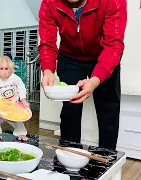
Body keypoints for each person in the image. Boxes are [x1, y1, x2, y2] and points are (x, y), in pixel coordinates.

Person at [38, 0, 127, 150]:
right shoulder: (48, 3)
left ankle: (106, 159)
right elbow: (47, 42)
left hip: (103, 55)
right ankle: (69, 157)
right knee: (71, 106)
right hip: (70, 57)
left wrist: (94, 80)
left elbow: (113, 45)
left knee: (108, 108)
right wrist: (47, 70)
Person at [0, 56, 30, 141]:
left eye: (6, 68)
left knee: (18, 120)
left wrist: (23, 100)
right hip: (1, 104)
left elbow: (21, 88)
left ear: (11, 68)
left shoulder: (15, 78)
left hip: (13, 104)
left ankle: (21, 134)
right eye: (1, 68)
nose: (4, 71)